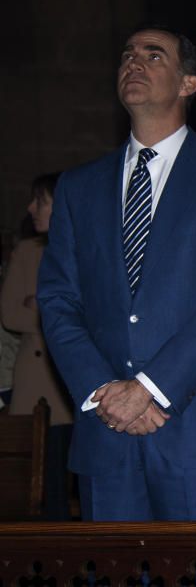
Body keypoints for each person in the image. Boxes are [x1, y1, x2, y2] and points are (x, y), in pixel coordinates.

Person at [37, 26, 196, 521]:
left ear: (188, 84)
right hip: (107, 431)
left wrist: (148, 388)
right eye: (126, 56)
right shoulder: (80, 187)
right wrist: (104, 390)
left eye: (153, 55)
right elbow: (57, 301)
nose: (133, 63)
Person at [1, 172, 76, 519]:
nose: (31, 207)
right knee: (40, 489)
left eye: (40, 200)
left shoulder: (87, 247)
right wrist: (63, 315)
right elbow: (11, 314)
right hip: (38, 385)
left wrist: (46, 307)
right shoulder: (28, 252)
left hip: (81, 386)